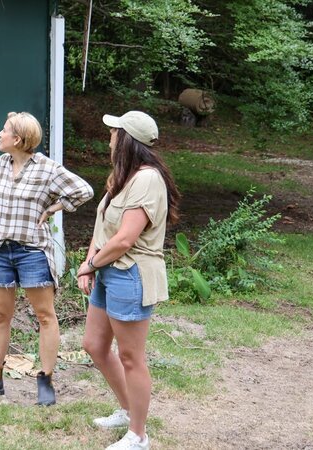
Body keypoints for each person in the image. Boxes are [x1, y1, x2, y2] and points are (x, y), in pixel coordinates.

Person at [0, 112, 94, 406]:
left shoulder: (47, 169)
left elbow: (83, 191)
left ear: (18, 139)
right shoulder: (1, 164)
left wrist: (52, 208)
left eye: (5, 130)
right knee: (0, 316)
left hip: (32, 253)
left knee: (45, 316)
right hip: (1, 250)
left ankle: (45, 380)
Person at [77, 111, 180, 450]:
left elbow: (124, 239)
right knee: (94, 344)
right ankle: (126, 409)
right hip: (109, 271)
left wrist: (90, 264)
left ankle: (138, 435)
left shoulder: (147, 179)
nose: (109, 137)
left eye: (114, 132)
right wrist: (90, 263)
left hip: (130, 273)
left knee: (131, 357)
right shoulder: (123, 177)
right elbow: (102, 227)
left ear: (126, 139)